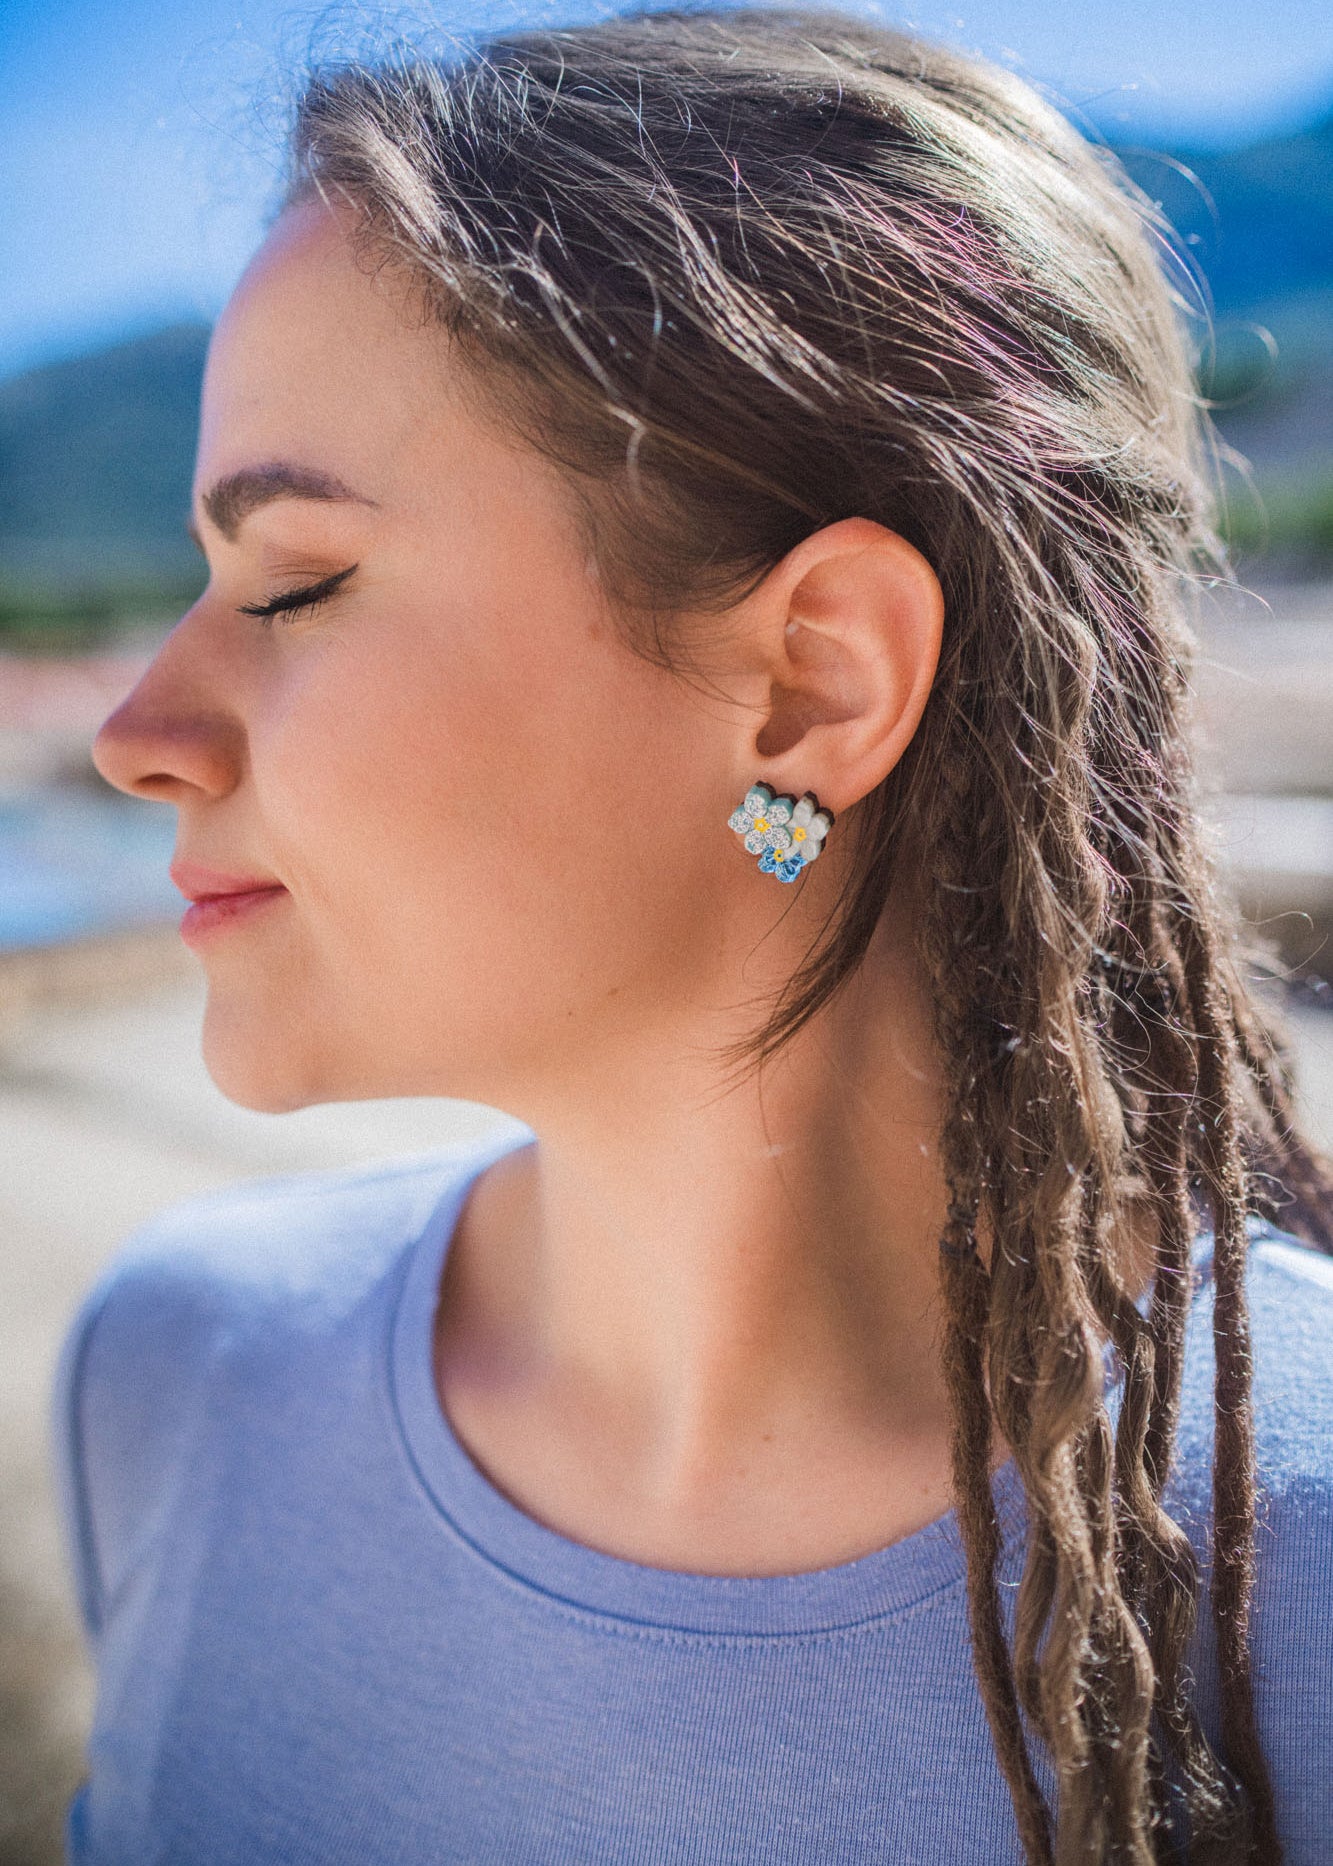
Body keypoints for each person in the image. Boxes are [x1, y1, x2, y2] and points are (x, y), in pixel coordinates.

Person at [55, 7, 1333, 1862]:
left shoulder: (1292, 1565)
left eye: (295, 583)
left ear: (812, 683)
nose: (128, 736)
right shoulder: (174, 1378)